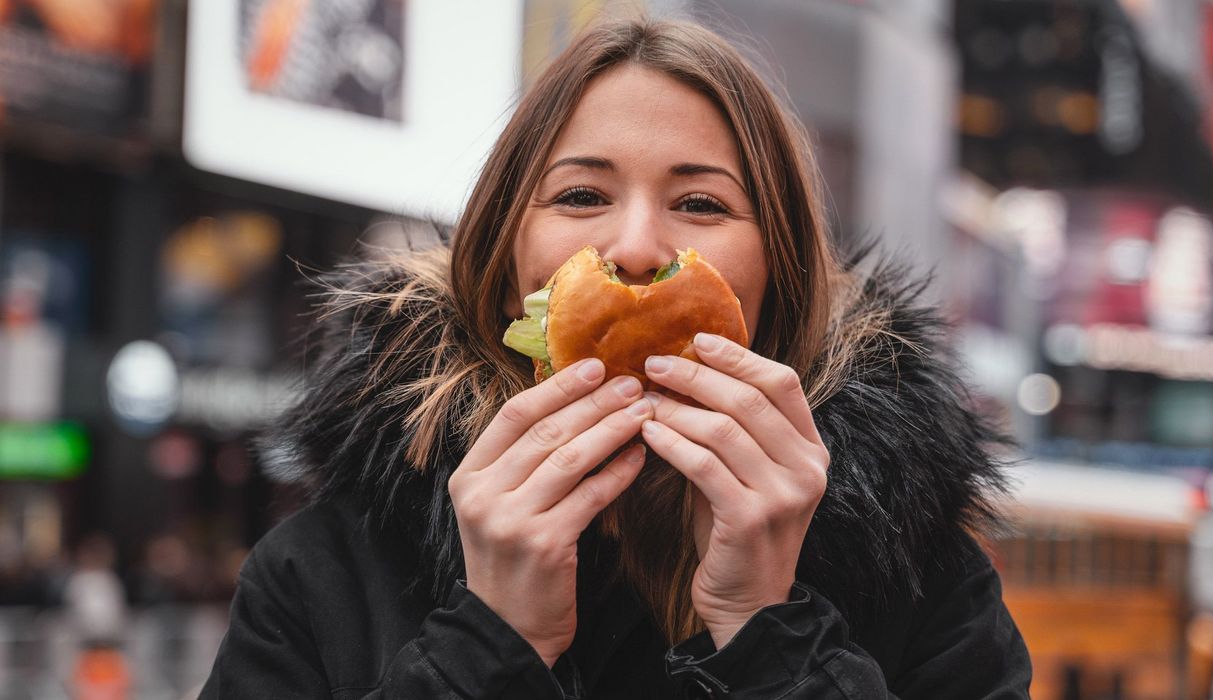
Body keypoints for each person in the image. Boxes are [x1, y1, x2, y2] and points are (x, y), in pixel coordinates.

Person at [201, 17, 1031, 699]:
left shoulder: (926, 585)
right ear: (504, 260)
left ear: (779, 278)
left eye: (701, 203)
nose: (635, 248)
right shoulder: (322, 574)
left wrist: (771, 638)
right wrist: (490, 645)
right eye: (581, 196)